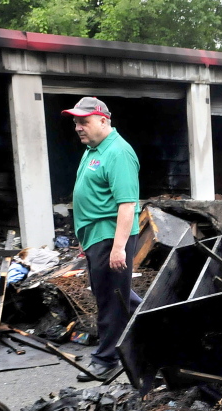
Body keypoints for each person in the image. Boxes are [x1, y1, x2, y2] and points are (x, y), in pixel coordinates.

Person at [62, 97, 143, 382]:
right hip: (97, 236)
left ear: (103, 121)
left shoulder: (118, 153)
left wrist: (119, 247)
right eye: (76, 122)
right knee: (114, 293)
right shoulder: (94, 149)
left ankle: (106, 359)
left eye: (84, 122)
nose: (78, 128)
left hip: (112, 237)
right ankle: (156, 322)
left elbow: (126, 205)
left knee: (110, 298)